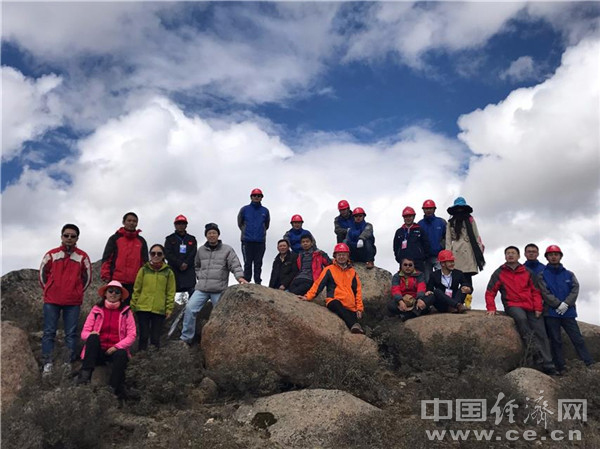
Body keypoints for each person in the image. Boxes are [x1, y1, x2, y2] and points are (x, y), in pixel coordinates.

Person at [485, 246, 556, 374]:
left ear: (518, 256)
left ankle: (549, 365)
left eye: (513, 253)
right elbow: (490, 292)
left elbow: (536, 291)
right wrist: (491, 308)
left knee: (541, 332)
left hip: (530, 305)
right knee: (522, 319)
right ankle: (535, 353)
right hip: (512, 304)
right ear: (505, 256)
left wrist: (538, 307)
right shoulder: (499, 272)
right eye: (508, 253)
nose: (510, 255)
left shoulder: (527, 272)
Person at [180, 223, 248, 345]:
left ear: (218, 235)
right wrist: (200, 276)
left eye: (214, 233)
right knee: (190, 309)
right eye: (209, 233)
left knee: (223, 314)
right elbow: (196, 265)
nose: (212, 235)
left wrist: (240, 278)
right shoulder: (201, 250)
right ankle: (186, 338)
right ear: (206, 236)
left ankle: (223, 340)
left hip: (219, 289)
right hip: (202, 289)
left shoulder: (227, 249)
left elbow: (235, 265)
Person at [39, 224, 92, 374]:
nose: (69, 238)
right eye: (66, 235)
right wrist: (49, 289)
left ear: (77, 238)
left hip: (72, 301)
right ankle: (47, 364)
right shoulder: (51, 254)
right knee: (49, 332)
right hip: (52, 300)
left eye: (72, 236)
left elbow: (87, 278)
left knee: (71, 333)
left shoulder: (82, 257)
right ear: (61, 236)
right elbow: (42, 274)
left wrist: (77, 291)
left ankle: (67, 363)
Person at [538, 245, 594, 374]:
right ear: (547, 257)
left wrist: (566, 304)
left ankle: (589, 362)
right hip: (551, 313)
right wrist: (557, 304)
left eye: (556, 254)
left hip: (568, 312)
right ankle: (560, 367)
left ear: (560, 256)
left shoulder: (569, 274)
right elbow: (544, 292)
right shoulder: (542, 275)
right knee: (556, 340)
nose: (553, 257)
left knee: (577, 339)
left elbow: (575, 289)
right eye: (550, 255)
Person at [76, 281, 136, 399]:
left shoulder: (126, 312)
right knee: (93, 337)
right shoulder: (96, 310)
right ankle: (84, 377)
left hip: (114, 351)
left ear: (121, 296)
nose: (113, 294)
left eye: (117, 292)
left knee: (122, 353)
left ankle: (112, 389)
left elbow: (132, 335)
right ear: (105, 293)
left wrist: (116, 347)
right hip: (98, 351)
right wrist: (92, 335)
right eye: (110, 291)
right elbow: (84, 333)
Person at [300, 243, 365, 334]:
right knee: (336, 304)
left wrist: (359, 308)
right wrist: (308, 296)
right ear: (335, 256)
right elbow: (318, 284)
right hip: (334, 301)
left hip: (350, 306)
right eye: (339, 255)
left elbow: (357, 291)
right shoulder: (329, 269)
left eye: (344, 255)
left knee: (355, 327)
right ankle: (354, 325)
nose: (341, 257)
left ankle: (355, 327)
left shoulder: (353, 272)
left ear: (347, 256)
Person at [131, 244, 176, 350]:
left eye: (159, 254)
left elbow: (170, 292)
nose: (156, 256)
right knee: (143, 336)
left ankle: (154, 359)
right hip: (143, 308)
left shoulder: (168, 272)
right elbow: (137, 289)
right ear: (150, 255)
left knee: (155, 338)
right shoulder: (143, 270)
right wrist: (133, 306)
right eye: (153, 253)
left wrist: (169, 308)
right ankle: (141, 357)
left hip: (159, 309)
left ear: (163, 255)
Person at [101, 212, 149, 301]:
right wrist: (106, 275)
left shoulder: (141, 241)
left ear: (137, 223)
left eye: (134, 221)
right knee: (114, 305)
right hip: (116, 281)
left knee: (130, 307)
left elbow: (145, 263)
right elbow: (107, 258)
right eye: (129, 220)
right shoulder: (114, 239)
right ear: (123, 222)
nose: (131, 223)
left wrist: (144, 279)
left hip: (134, 283)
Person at [445, 197, 485, 286]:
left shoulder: (470, 220)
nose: (460, 210)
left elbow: (476, 236)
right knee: (455, 278)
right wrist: (448, 256)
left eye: (461, 208)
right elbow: (448, 240)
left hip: (468, 251)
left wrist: (479, 251)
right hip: (456, 252)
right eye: (457, 208)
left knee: (467, 279)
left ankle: (467, 294)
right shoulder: (450, 223)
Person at [237, 188, 270, 284]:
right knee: (247, 262)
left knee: (258, 262)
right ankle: (247, 280)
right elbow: (240, 223)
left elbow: (266, 225)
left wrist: (261, 232)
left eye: (259, 196)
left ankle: (257, 281)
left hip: (260, 241)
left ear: (261, 198)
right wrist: (245, 231)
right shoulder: (244, 209)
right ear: (251, 197)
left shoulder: (265, 211)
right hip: (247, 240)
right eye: (254, 195)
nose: (256, 197)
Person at [164, 214, 198, 298]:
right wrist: (179, 263)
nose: (180, 225)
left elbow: (193, 253)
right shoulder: (169, 239)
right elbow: (167, 254)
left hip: (189, 271)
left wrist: (186, 263)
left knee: (193, 294)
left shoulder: (192, 239)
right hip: (174, 270)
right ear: (175, 225)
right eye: (178, 223)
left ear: (186, 225)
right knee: (169, 294)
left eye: (183, 223)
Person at [387, 257, 428, 321]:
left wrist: (419, 299)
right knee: (391, 305)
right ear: (401, 265)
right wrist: (400, 301)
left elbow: (421, 288)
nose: (408, 267)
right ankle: (415, 313)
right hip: (403, 300)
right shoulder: (397, 276)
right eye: (405, 265)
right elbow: (395, 290)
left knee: (430, 297)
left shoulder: (419, 275)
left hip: (416, 300)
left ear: (414, 266)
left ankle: (407, 315)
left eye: (410, 265)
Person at [393, 206, 430, 272]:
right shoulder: (399, 232)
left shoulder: (420, 230)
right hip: (404, 264)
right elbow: (396, 247)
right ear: (403, 218)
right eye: (406, 217)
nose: (408, 218)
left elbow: (426, 245)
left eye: (410, 216)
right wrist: (399, 258)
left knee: (420, 278)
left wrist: (423, 258)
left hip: (418, 263)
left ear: (414, 217)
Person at [418, 199, 447, 283]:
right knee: (427, 280)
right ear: (423, 210)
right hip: (425, 257)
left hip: (439, 256)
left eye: (430, 208)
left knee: (441, 279)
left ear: (434, 209)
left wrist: (442, 247)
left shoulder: (441, 222)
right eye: (426, 209)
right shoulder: (419, 224)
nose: (428, 210)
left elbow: (447, 237)